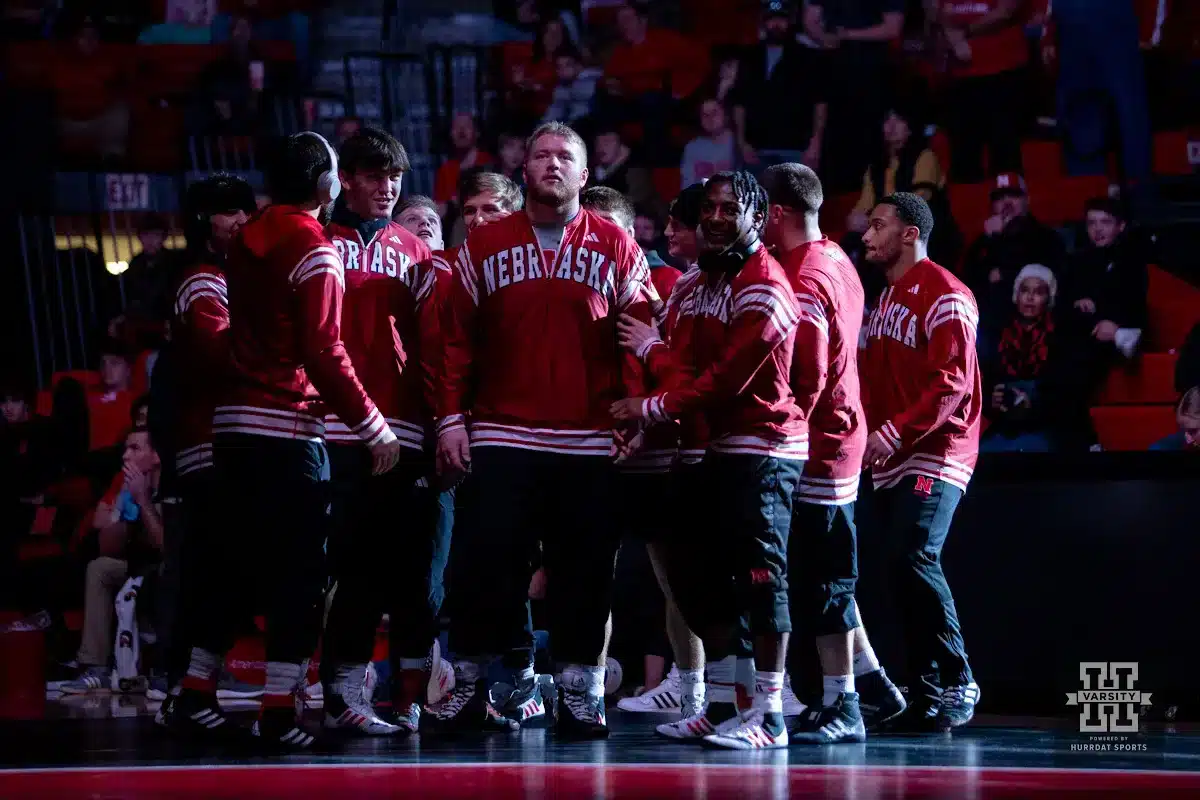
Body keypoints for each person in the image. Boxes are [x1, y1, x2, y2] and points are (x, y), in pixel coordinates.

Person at [170, 132, 400, 751]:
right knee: (300, 573)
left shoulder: (247, 238)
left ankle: (194, 692)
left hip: (233, 429)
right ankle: (278, 710)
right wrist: (373, 425)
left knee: (234, 566)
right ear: (328, 185)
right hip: (287, 426)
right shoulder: (316, 249)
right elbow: (324, 350)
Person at [434, 121, 656, 739]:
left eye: (565, 157)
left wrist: (635, 409)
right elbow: (457, 343)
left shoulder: (617, 245)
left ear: (586, 176)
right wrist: (452, 418)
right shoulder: (483, 244)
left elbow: (635, 334)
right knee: (485, 566)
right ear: (523, 171)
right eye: (541, 155)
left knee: (586, 570)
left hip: (589, 437)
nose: (552, 164)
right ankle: (470, 684)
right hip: (503, 432)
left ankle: (581, 690)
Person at [611, 170, 806, 750]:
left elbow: (724, 382)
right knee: (691, 577)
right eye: (710, 209)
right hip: (704, 450)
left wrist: (650, 404)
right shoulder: (695, 283)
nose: (717, 217)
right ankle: (723, 702)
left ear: (757, 216)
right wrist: (658, 362)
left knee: (761, 579)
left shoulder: (766, 285)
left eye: (731, 208)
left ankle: (770, 713)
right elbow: (684, 367)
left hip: (761, 446)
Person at [760, 163, 907, 744]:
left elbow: (810, 373)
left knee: (823, 581)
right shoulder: (837, 257)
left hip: (818, 439)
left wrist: (784, 426)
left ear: (774, 214)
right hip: (840, 431)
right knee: (827, 574)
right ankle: (870, 685)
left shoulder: (804, 274)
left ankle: (841, 703)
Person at [321, 128, 443, 736]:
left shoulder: (415, 252)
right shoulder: (320, 242)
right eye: (372, 175)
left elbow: (433, 349)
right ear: (345, 181)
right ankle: (337, 692)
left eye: (393, 176)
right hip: (336, 429)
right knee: (350, 567)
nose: (385, 186)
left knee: (409, 573)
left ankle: (404, 696)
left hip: (406, 432)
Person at [859, 192, 982, 731]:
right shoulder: (882, 303)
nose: (867, 235)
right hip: (891, 454)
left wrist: (891, 432)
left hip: (936, 449)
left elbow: (951, 382)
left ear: (910, 233)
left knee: (913, 555)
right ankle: (926, 694)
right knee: (895, 567)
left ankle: (958, 679)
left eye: (879, 225)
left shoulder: (946, 292)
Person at [151, 173, 255, 715]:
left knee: (221, 566)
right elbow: (223, 357)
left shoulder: (237, 273)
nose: (240, 219)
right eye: (226, 212)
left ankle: (192, 683)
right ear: (202, 221)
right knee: (206, 566)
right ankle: (182, 684)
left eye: (243, 210)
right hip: (207, 445)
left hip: (226, 440)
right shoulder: (202, 279)